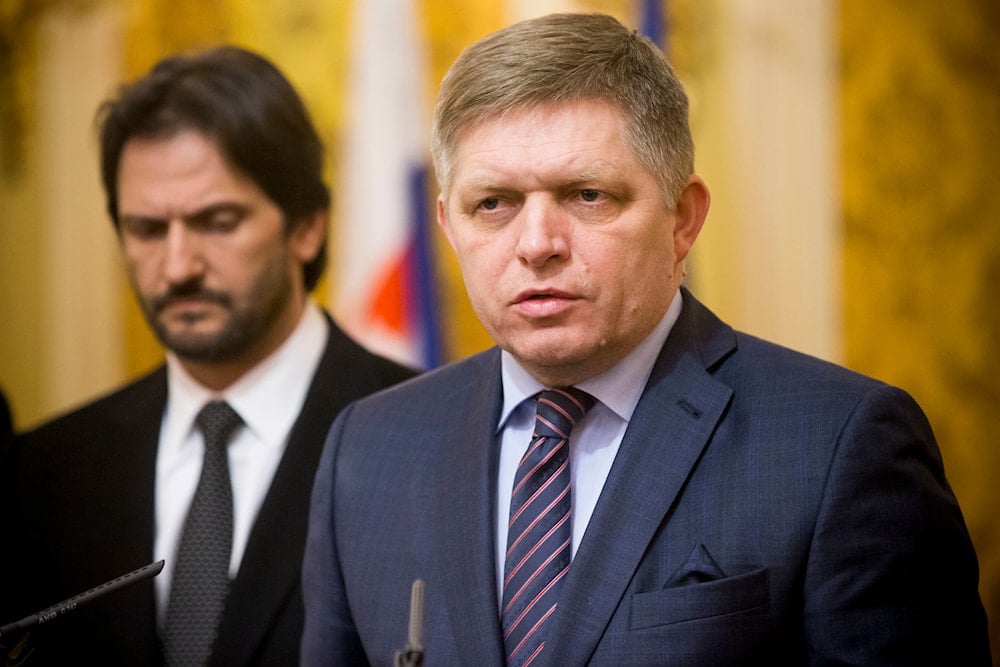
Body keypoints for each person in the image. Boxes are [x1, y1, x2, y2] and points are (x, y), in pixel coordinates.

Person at [300, 12, 991, 666]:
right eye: (494, 204)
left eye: (587, 195)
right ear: (448, 226)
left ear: (683, 219)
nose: (536, 243)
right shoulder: (368, 448)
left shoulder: (840, 443)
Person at [1, 46, 416, 666]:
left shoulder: (425, 441)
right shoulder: (46, 469)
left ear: (307, 226)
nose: (178, 267)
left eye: (217, 222)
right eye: (146, 229)